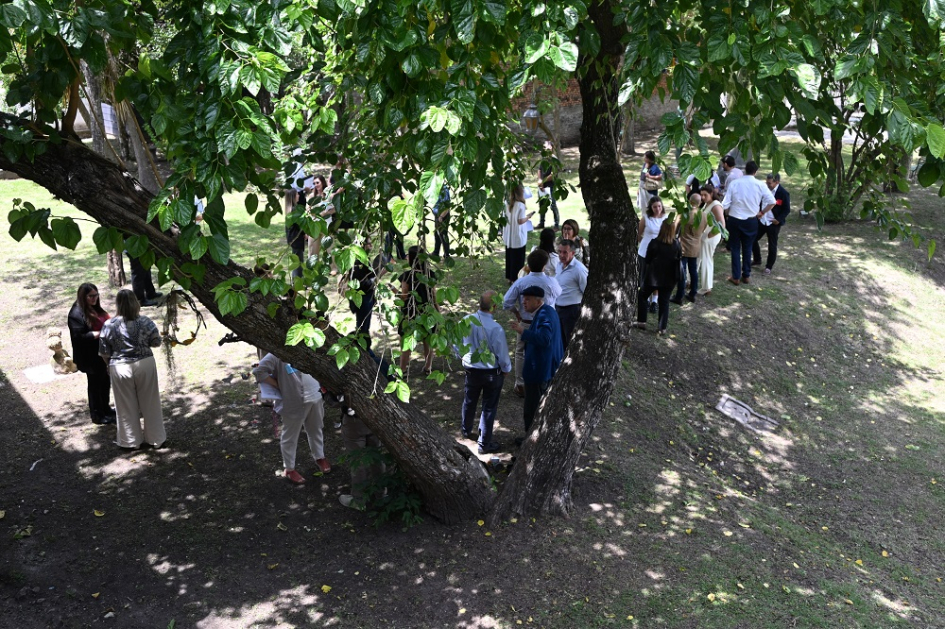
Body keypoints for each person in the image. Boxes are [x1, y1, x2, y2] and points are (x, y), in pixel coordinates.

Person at [98, 289, 165, 449]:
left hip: (120, 366)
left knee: (125, 406)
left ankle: (131, 441)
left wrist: (108, 364)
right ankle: (156, 439)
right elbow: (156, 342)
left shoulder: (109, 325)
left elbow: (104, 352)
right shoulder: (146, 321)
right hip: (144, 363)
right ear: (136, 302)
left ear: (118, 304)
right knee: (151, 402)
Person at [253, 352, 331, 484]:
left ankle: (320, 457)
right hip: (293, 402)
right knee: (290, 436)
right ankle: (289, 469)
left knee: (316, 428)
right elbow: (258, 371)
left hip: (316, 397)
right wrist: (279, 385)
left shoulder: (308, 347)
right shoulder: (276, 353)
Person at [457, 291, 512, 454]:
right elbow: (502, 354)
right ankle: (484, 443)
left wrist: (463, 356)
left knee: (469, 400)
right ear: (494, 306)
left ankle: (466, 429)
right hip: (491, 373)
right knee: (489, 407)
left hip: (471, 370)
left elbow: (456, 342)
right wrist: (506, 369)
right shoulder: (496, 328)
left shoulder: (466, 321)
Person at [503, 249, 561, 397]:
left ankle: (520, 384)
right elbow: (559, 294)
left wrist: (517, 312)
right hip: (545, 322)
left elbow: (506, 302)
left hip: (526, 322)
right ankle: (543, 381)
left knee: (521, 352)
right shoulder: (551, 282)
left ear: (528, 265)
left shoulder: (521, 282)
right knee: (544, 351)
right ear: (544, 265)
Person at [509, 286, 563, 438]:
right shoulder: (547, 311)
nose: (523, 302)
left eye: (528, 299)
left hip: (540, 370)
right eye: (523, 299)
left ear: (538, 301)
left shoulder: (545, 314)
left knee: (532, 407)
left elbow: (545, 339)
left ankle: (530, 439)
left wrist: (523, 332)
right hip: (545, 367)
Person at [721, 160, 775, 285]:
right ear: (756, 172)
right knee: (748, 247)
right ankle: (746, 274)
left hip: (735, 218)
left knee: (735, 248)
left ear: (745, 169)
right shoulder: (760, 185)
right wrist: (762, 212)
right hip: (751, 220)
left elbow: (725, 203)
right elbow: (772, 201)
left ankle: (735, 276)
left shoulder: (735, 183)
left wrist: (727, 214)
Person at [68, 283, 115, 425]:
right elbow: (78, 337)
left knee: (105, 382)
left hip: (102, 354)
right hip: (90, 357)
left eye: (96, 295)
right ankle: (97, 415)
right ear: (83, 296)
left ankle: (106, 409)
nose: (94, 298)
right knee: (95, 386)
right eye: (91, 296)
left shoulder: (94, 308)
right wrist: (98, 334)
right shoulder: (76, 314)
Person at [346, 238, 394, 379]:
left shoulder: (363, 260)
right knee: (363, 327)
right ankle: (365, 352)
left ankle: (365, 349)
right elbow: (365, 283)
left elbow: (371, 279)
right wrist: (382, 273)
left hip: (367, 298)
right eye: (368, 244)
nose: (371, 246)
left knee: (364, 326)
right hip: (362, 300)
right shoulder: (357, 264)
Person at [633, 219, 681, 336]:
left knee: (642, 295)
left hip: (653, 277)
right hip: (669, 279)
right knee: (664, 302)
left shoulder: (654, 243)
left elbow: (648, 259)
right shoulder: (676, 245)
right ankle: (662, 328)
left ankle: (642, 321)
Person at [398, 246, 439, 374]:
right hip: (427, 312)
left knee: (406, 342)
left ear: (411, 259)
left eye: (408, 255)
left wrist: (394, 291)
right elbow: (433, 295)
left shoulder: (407, 276)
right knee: (428, 341)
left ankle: (403, 369)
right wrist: (437, 311)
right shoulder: (430, 274)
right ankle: (428, 367)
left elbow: (404, 297)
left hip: (410, 313)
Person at [339, 410, 385, 510]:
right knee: (376, 456)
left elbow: (334, 402)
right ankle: (381, 493)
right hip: (375, 416)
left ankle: (358, 500)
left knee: (358, 461)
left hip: (354, 420)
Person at [752, 173, 791, 275]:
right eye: (766, 182)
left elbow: (787, 209)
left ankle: (768, 267)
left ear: (776, 182)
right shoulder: (765, 190)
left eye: (769, 183)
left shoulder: (783, 193)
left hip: (773, 223)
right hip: (762, 220)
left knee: (772, 245)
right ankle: (757, 259)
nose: (767, 184)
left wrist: (778, 219)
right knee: (752, 238)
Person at [671, 193, 707, 304]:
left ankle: (679, 296)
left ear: (690, 201)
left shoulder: (684, 213)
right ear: (700, 203)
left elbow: (675, 228)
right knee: (693, 271)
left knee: (682, 273)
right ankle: (693, 293)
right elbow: (703, 229)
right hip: (695, 246)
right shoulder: (704, 215)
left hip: (683, 246)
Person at [554, 239, 588, 348]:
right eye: (559, 252)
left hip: (571, 311)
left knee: (570, 342)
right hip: (558, 309)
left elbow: (586, 291)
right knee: (560, 341)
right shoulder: (559, 265)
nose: (561, 255)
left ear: (572, 253)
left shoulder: (579, 269)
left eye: (565, 252)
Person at [637, 195, 668, 312]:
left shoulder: (665, 218)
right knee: (645, 275)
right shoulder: (646, 218)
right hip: (645, 251)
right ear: (651, 207)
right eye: (655, 207)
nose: (657, 209)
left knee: (656, 277)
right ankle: (645, 298)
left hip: (659, 252)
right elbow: (639, 234)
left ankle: (654, 300)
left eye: (659, 206)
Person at [697, 183, 725, 295]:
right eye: (701, 195)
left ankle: (707, 288)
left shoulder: (716, 205)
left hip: (710, 237)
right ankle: (690, 281)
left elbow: (722, 225)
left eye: (705, 195)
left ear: (711, 193)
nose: (703, 197)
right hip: (705, 235)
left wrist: (709, 235)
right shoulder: (707, 204)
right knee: (699, 258)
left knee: (706, 260)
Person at [503, 183, 534, 285]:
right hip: (517, 235)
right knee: (518, 258)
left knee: (510, 257)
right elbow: (520, 221)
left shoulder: (507, 203)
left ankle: (509, 277)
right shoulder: (520, 205)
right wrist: (528, 217)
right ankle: (515, 279)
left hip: (508, 235)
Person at [536, 143, 560, 229]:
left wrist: (543, 181)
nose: (546, 149)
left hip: (551, 186)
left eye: (548, 148)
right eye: (545, 148)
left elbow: (553, 174)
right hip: (542, 186)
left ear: (552, 148)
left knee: (553, 205)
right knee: (542, 204)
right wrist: (539, 180)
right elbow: (539, 170)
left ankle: (556, 225)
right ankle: (541, 223)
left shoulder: (554, 160)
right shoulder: (543, 159)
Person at [432, 183, 451, 259]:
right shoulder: (437, 187)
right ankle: (436, 252)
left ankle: (446, 255)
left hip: (443, 215)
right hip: (438, 215)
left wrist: (441, 216)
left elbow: (447, 206)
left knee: (443, 235)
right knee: (437, 234)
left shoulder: (444, 190)